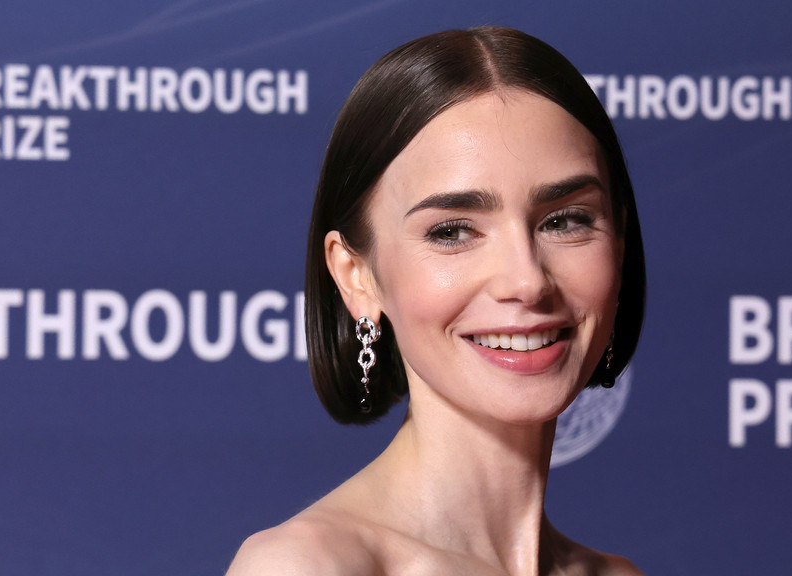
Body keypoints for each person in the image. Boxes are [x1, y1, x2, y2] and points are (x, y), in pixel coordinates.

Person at [227, 26, 646, 575]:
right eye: (452, 231)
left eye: (564, 220)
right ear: (356, 276)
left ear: (618, 239)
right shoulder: (308, 567)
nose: (527, 281)